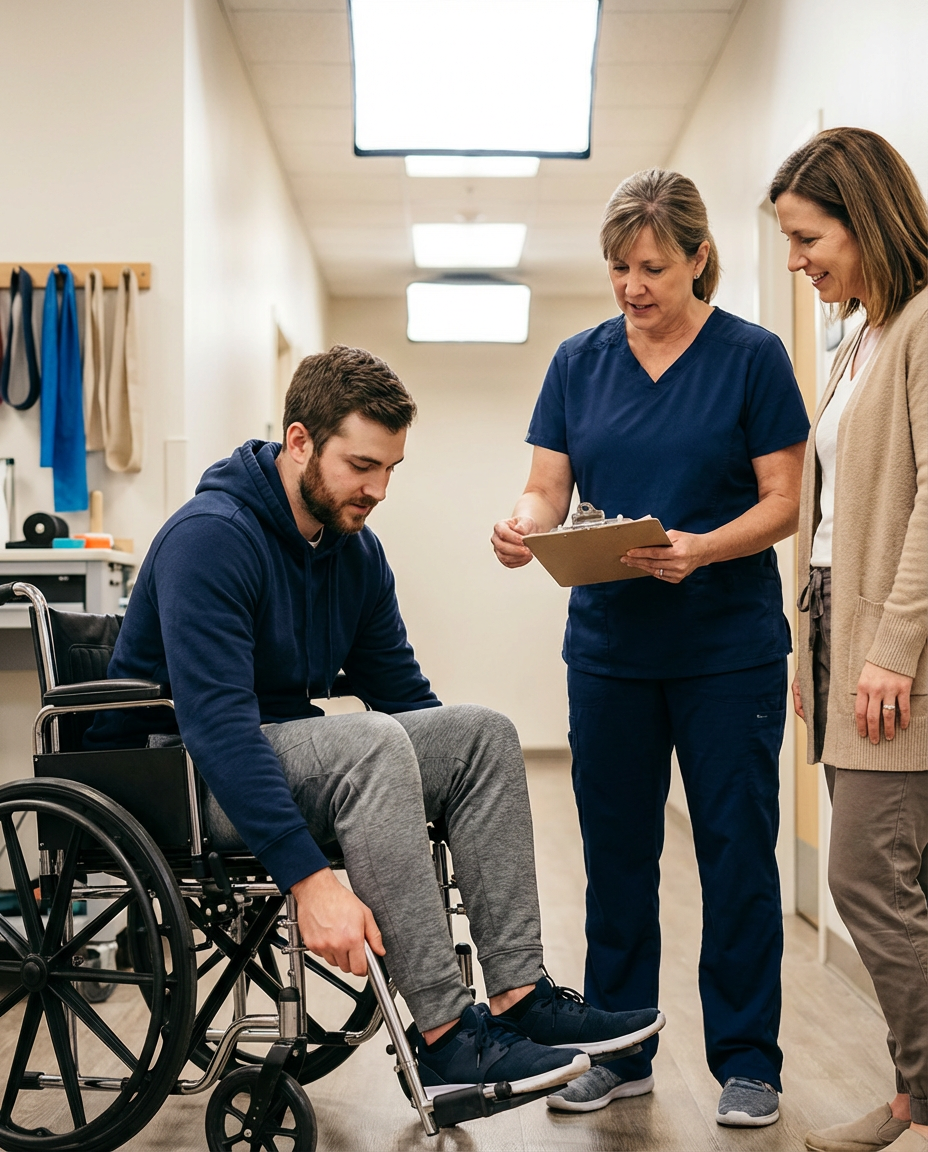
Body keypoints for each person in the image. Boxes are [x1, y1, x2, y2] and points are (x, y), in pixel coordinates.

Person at [85, 344, 664, 1101]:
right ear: (300, 442)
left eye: (390, 468)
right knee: (369, 743)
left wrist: (448, 775)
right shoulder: (212, 536)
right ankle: (445, 1037)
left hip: (274, 754)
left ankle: (520, 996)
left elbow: (403, 694)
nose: (379, 488)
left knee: (479, 732)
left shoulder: (353, 551)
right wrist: (309, 879)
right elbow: (219, 727)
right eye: (362, 465)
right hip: (180, 774)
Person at [492, 168, 811, 1126]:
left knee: (735, 854)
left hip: (729, 651)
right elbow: (547, 488)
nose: (633, 287)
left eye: (654, 268)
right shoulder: (577, 362)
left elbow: (786, 502)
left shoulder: (752, 357)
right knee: (618, 855)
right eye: (619, 268)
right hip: (610, 650)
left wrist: (704, 549)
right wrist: (521, 525)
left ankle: (749, 1062)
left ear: (699, 259)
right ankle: (621, 1050)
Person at [770, 128, 928, 1152]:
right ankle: (915, 1093)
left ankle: (922, 1090)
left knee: (865, 875)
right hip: (838, 630)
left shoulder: (922, 325)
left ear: (862, 218)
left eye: (807, 237)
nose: (797, 261)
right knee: (894, 872)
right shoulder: (859, 333)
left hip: (889, 641)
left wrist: (891, 646)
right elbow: (830, 513)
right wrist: (808, 644)